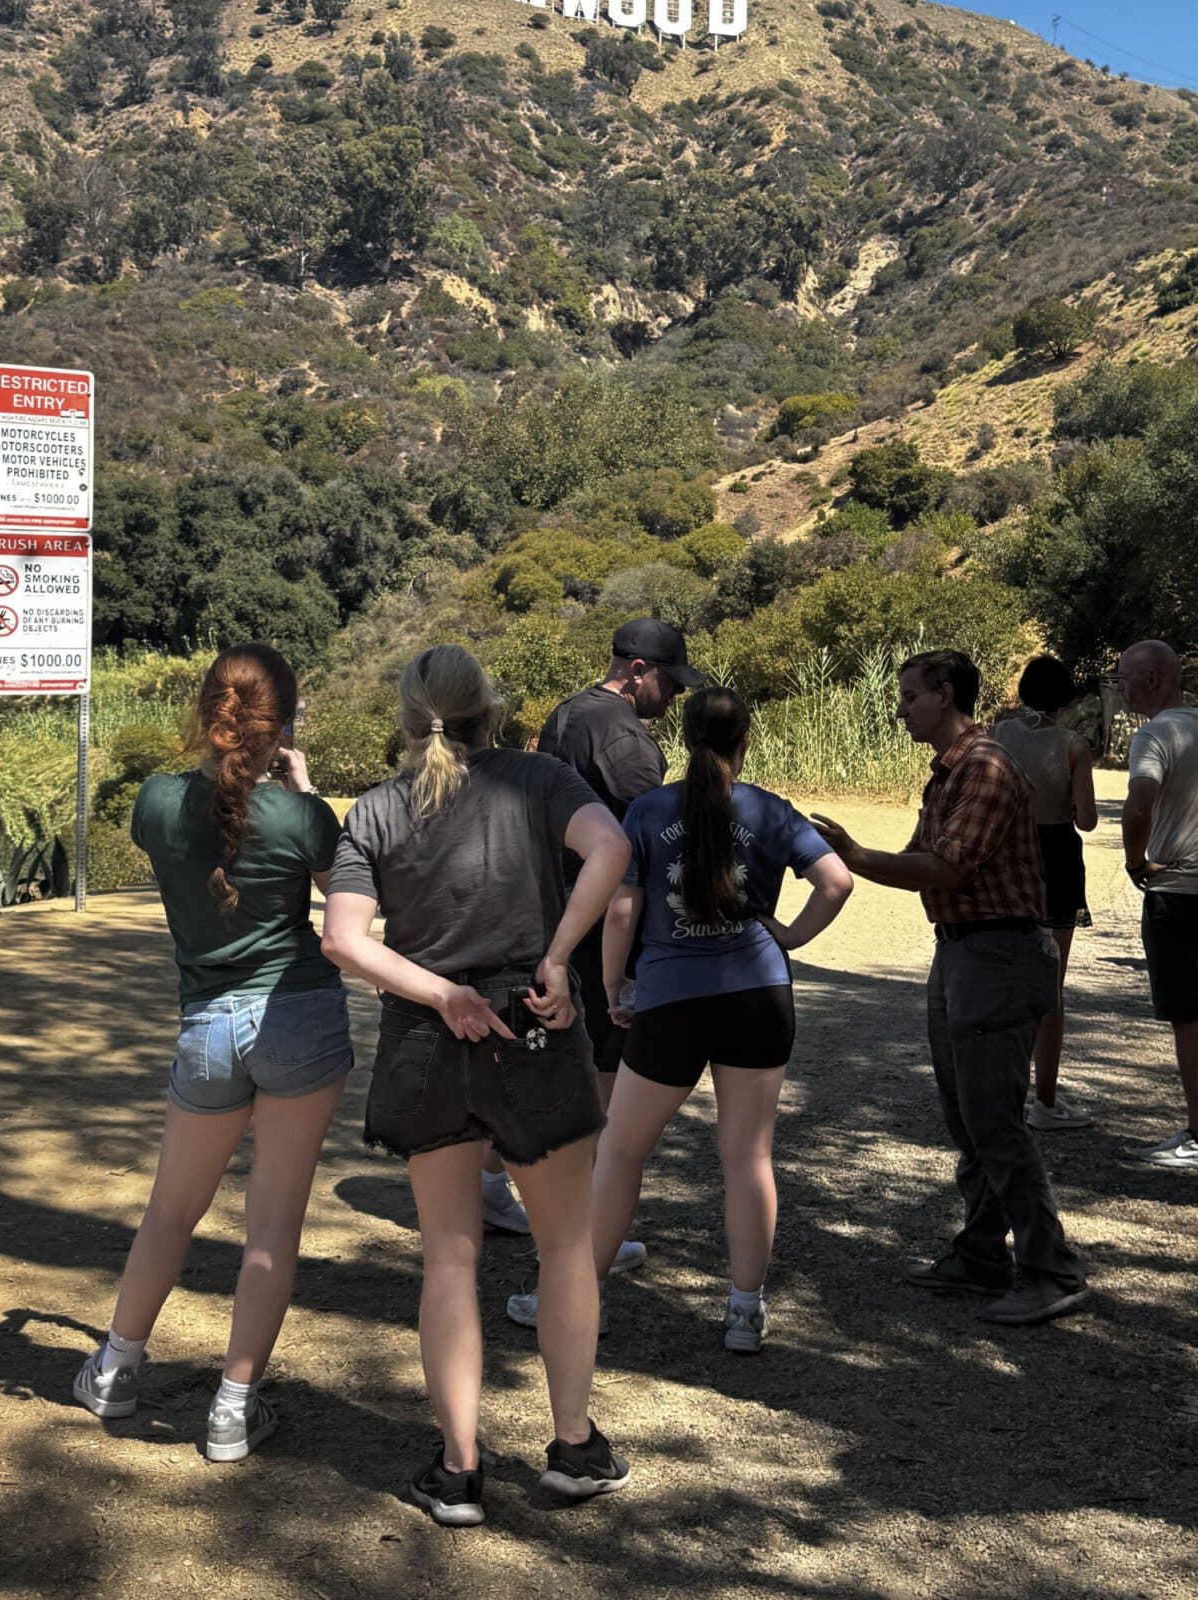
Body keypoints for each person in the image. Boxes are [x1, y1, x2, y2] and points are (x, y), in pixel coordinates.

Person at [322, 645, 632, 1527]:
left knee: (449, 1256)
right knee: (566, 1246)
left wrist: (440, 993)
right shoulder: (536, 780)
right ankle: (574, 1447)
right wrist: (561, 956)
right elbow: (610, 848)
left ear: (407, 714)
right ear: (488, 708)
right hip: (532, 1017)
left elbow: (343, 940)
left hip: (428, 1038)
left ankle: (459, 1471)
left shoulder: (375, 812)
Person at [72, 643, 350, 1463]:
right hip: (299, 1018)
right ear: (283, 725)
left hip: (206, 1029)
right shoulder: (304, 817)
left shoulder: (155, 804)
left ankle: (116, 1368)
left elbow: (205, 817)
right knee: (272, 1227)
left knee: (170, 1209)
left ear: (205, 714)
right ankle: (232, 1408)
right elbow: (347, 912)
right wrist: (303, 795)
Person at [814, 651, 1089, 1326]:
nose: (901, 707)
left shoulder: (985, 768)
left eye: (910, 696)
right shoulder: (950, 773)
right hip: (967, 953)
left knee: (994, 1120)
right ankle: (982, 1254)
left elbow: (944, 867)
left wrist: (851, 855)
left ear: (944, 695)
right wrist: (845, 855)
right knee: (969, 1118)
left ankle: (1050, 1269)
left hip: (998, 953)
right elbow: (919, 863)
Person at [588, 688, 853, 1351]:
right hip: (757, 994)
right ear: (746, 740)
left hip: (672, 998)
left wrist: (613, 982)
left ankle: (579, 1295)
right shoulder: (769, 809)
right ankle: (744, 1311)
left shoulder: (647, 811)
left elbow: (622, 910)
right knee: (747, 1156)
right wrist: (789, 937)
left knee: (620, 1152)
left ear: (683, 739)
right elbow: (838, 881)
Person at [496, 617, 705, 1309]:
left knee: (572, 1068)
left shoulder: (566, 714)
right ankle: (581, 1249)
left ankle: (572, 1227)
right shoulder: (621, 736)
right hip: (598, 929)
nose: (672, 698)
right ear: (639, 671)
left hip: (554, 910)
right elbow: (643, 842)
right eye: (670, 683)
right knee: (602, 1086)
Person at [1117, 640, 1198, 1172]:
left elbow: (1138, 804)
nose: (1119, 686)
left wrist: (1135, 861)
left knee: (1187, 1014)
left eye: (1123, 677)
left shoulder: (1154, 735)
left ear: (1151, 680)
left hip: (1178, 891)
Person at [991, 655, 1098, 1130]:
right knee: (1050, 982)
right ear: (1066, 698)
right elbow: (1088, 819)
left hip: (1008, 853)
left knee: (1004, 971)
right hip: (1055, 855)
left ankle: (1001, 1090)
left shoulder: (999, 735)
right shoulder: (1073, 744)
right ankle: (1046, 1101)